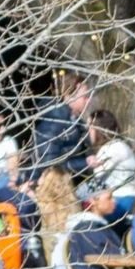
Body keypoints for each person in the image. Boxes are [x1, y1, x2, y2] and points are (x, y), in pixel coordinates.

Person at [27, 74, 96, 238]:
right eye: (84, 96)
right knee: (59, 237)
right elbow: (48, 161)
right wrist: (84, 163)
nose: (87, 100)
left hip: (70, 187)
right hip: (53, 193)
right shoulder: (54, 122)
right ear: (67, 95)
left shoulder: (74, 122)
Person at [81, 109, 135, 217]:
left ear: (99, 129)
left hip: (121, 200)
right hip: (125, 198)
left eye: (90, 127)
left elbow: (97, 176)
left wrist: (77, 195)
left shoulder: (114, 148)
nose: (87, 131)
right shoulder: (118, 146)